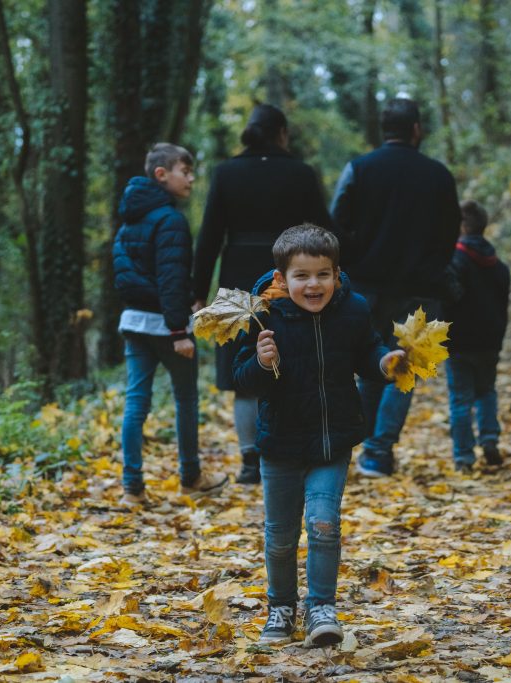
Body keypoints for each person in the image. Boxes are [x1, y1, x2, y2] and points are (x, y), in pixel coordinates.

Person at [232, 225, 403, 647]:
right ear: (281, 279)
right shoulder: (263, 315)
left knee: (324, 524)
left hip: (332, 441)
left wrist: (385, 363)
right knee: (281, 536)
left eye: (323, 274)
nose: (313, 285)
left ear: (336, 273)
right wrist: (261, 360)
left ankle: (322, 608)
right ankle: (281, 608)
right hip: (280, 445)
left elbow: (368, 353)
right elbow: (244, 379)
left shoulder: (354, 309)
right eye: (302, 276)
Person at [192, 104, 331, 485]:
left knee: (244, 370)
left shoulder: (225, 173)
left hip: (235, 277)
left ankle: (250, 460)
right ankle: (293, 450)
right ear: (282, 134)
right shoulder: (301, 174)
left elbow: (208, 238)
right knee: (291, 360)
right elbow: (323, 229)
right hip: (290, 278)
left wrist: (198, 292)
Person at [329, 97, 461, 477]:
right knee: (407, 368)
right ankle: (378, 451)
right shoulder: (438, 175)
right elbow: (451, 231)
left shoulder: (359, 168)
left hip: (366, 285)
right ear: (416, 130)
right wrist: (434, 264)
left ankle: (359, 445)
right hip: (421, 287)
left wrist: (355, 258)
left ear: (383, 131)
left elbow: (336, 222)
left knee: (371, 364)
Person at [113, 143, 229, 505]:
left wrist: (182, 300)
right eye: (185, 170)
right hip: (167, 327)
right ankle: (190, 476)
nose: (191, 177)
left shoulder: (130, 217)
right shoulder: (170, 219)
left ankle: (132, 487)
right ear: (161, 174)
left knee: (136, 403)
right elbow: (170, 278)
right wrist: (179, 329)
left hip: (134, 322)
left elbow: (131, 275)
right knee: (186, 400)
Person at [443, 200, 511, 473]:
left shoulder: (455, 261)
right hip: (490, 342)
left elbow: (449, 297)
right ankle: (489, 439)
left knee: (460, 399)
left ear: (460, 227)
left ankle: (464, 456)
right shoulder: (499, 266)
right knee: (486, 391)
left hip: (459, 342)